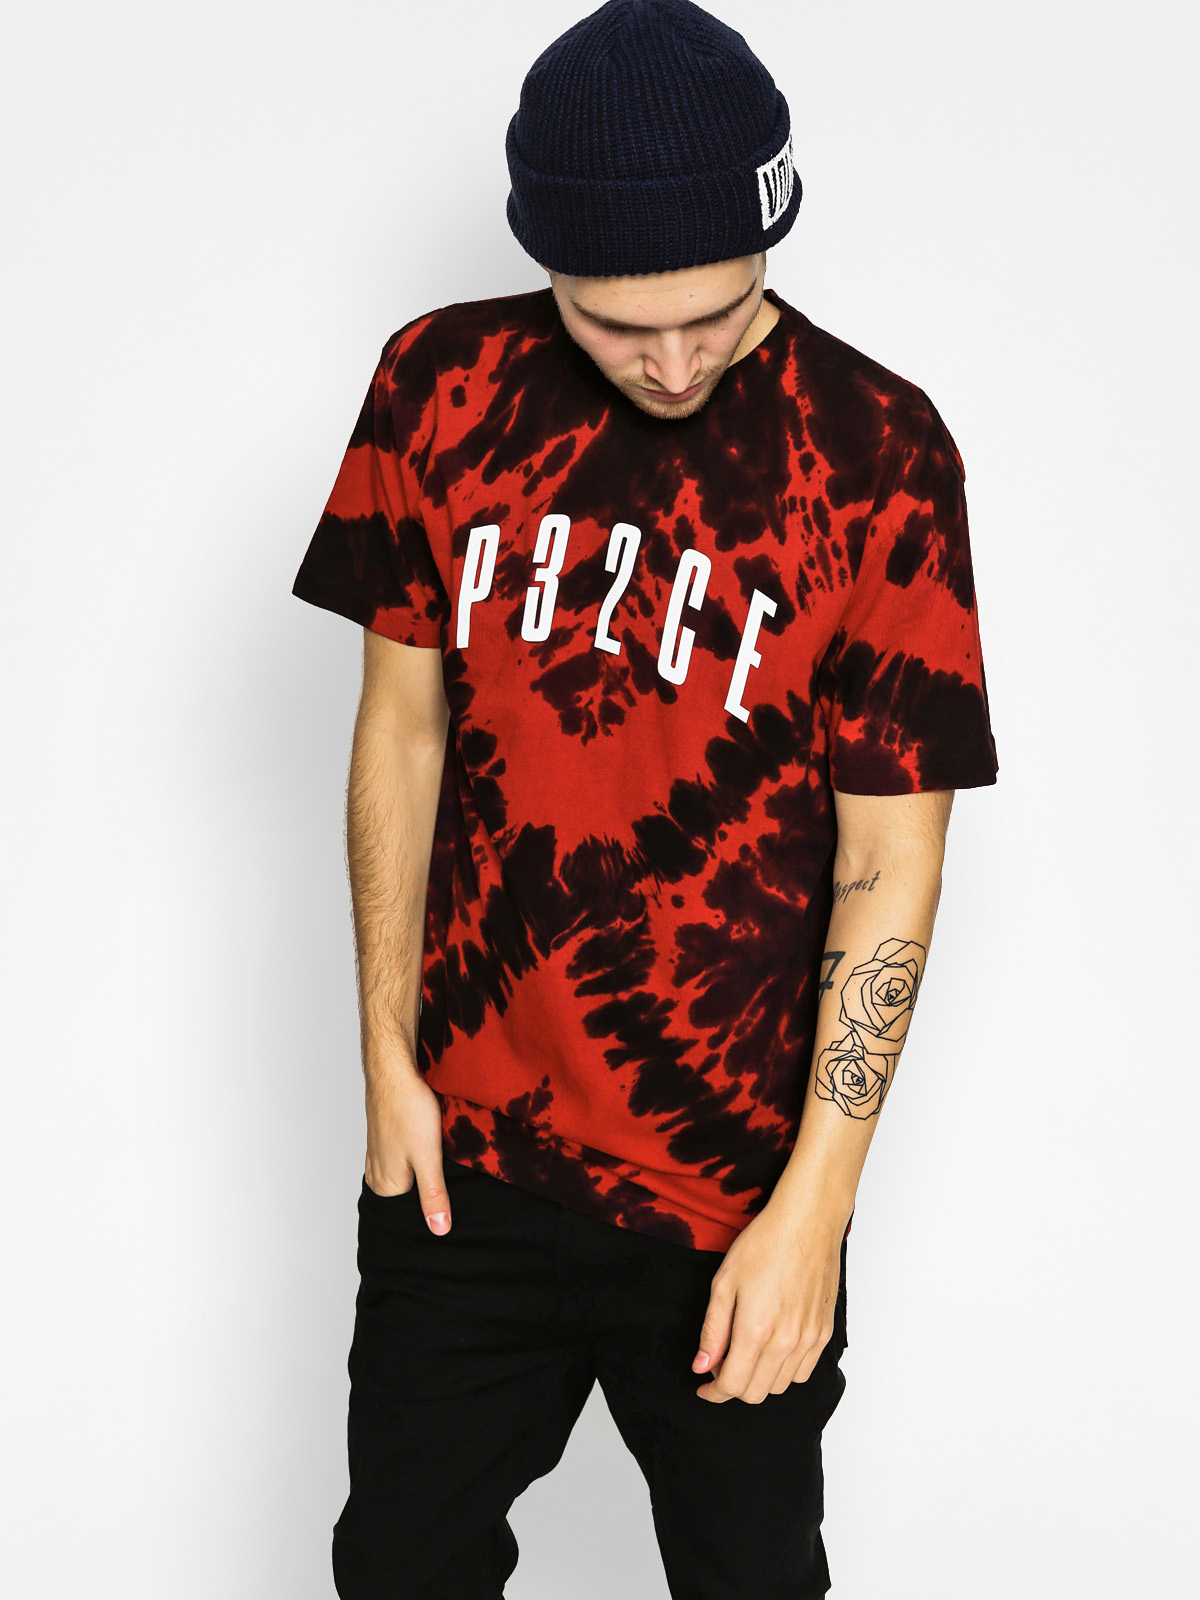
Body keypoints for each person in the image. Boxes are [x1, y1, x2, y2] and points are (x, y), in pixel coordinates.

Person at [290, 1, 999, 1594]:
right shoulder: (439, 385)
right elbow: (400, 731)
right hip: (462, 1166)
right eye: (618, 325)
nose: (672, 363)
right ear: (543, 256)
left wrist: (815, 1209)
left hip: (732, 1193)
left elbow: (891, 855)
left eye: (717, 314)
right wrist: (387, 1065)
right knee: (396, 1569)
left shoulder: (880, 450)